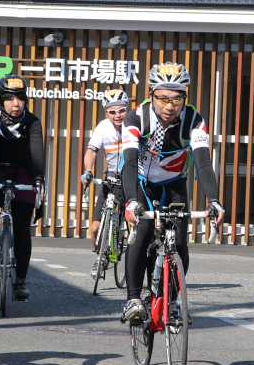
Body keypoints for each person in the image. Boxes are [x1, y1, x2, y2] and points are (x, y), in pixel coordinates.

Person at [121, 62, 224, 324]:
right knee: (142, 233)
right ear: (151, 94)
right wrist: (131, 201)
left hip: (174, 183)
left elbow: (203, 161)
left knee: (179, 242)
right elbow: (130, 162)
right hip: (141, 182)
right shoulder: (135, 118)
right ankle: (133, 300)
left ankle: (173, 301)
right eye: (163, 98)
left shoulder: (194, 120)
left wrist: (214, 200)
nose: (170, 106)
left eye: (177, 99)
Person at [0, 75, 45, 301]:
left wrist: (39, 178)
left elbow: (36, 153)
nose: (16, 104)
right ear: (1, 100)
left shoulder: (32, 122)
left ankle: (20, 281)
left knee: (22, 226)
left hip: (24, 170)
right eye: (10, 98)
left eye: (21, 98)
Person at [80, 88, 129, 277]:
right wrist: (87, 171)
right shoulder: (103, 127)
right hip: (111, 179)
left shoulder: (134, 126)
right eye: (112, 111)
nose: (118, 115)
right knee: (95, 228)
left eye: (121, 110)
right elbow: (92, 150)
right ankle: (100, 256)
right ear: (106, 112)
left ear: (128, 109)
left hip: (132, 179)